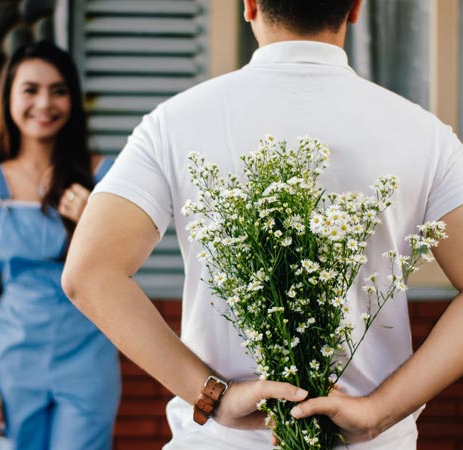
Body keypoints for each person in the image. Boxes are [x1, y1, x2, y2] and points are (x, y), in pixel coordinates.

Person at [60, 0, 463, 449]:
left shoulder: (173, 123)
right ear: (355, 9)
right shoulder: (425, 134)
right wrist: (377, 413)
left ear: (249, 5)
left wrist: (212, 395)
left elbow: (88, 273)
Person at [0, 41, 120, 450]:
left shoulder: (104, 178)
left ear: (73, 100)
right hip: (13, 364)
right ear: (9, 97)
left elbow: (124, 273)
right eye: (30, 89)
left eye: (58, 90)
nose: (44, 103)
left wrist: (92, 224)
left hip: (88, 359)